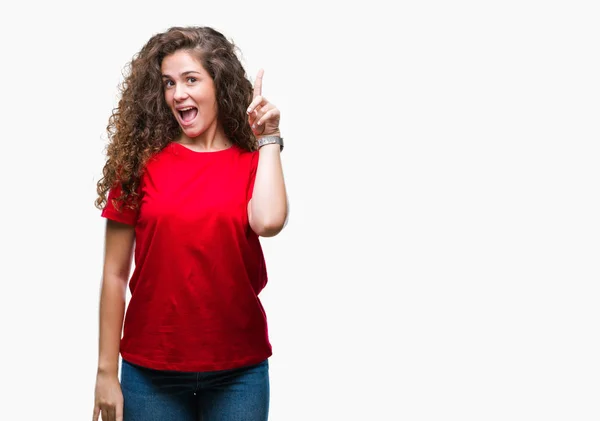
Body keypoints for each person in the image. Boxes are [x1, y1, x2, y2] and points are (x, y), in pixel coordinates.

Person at [92, 26, 288, 421]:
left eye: (191, 79)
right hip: (150, 374)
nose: (177, 94)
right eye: (168, 83)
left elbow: (268, 221)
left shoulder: (252, 163)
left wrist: (269, 138)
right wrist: (106, 372)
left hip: (239, 373)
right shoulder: (137, 165)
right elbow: (114, 274)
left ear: (219, 85)